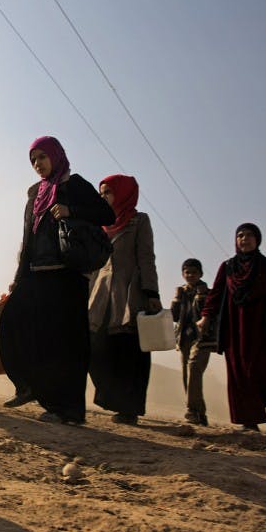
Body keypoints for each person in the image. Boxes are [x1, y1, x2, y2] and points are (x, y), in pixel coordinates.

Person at [0, 136, 115, 424]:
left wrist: (71, 210)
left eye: (42, 157)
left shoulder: (74, 185)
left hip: (68, 274)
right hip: (36, 272)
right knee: (12, 320)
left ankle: (68, 410)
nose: (37, 163)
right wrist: (18, 277)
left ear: (56, 155)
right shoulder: (36, 194)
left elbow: (106, 214)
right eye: (33, 159)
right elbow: (28, 239)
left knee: (66, 343)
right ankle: (28, 386)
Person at [197, 223, 266, 431]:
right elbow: (215, 295)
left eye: (249, 235)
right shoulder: (228, 267)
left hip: (262, 329)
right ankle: (249, 422)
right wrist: (206, 317)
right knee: (239, 374)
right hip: (234, 330)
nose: (244, 239)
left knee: (262, 371)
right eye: (240, 235)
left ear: (257, 239)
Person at [87, 175, 161, 426]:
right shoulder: (99, 225)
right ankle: (111, 398)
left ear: (123, 193)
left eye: (108, 192)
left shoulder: (139, 221)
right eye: (101, 193)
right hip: (99, 294)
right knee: (95, 347)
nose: (103, 197)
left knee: (128, 352)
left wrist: (151, 292)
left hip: (130, 293)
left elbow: (146, 257)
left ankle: (128, 408)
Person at [171, 258, 212, 426]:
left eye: (194, 272)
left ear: (200, 274)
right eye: (187, 272)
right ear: (183, 274)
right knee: (187, 375)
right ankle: (199, 413)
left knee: (194, 368)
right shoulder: (181, 292)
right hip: (184, 338)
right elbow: (174, 316)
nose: (190, 275)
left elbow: (207, 312)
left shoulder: (208, 292)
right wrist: (176, 298)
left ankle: (191, 410)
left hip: (203, 339)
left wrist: (201, 295)